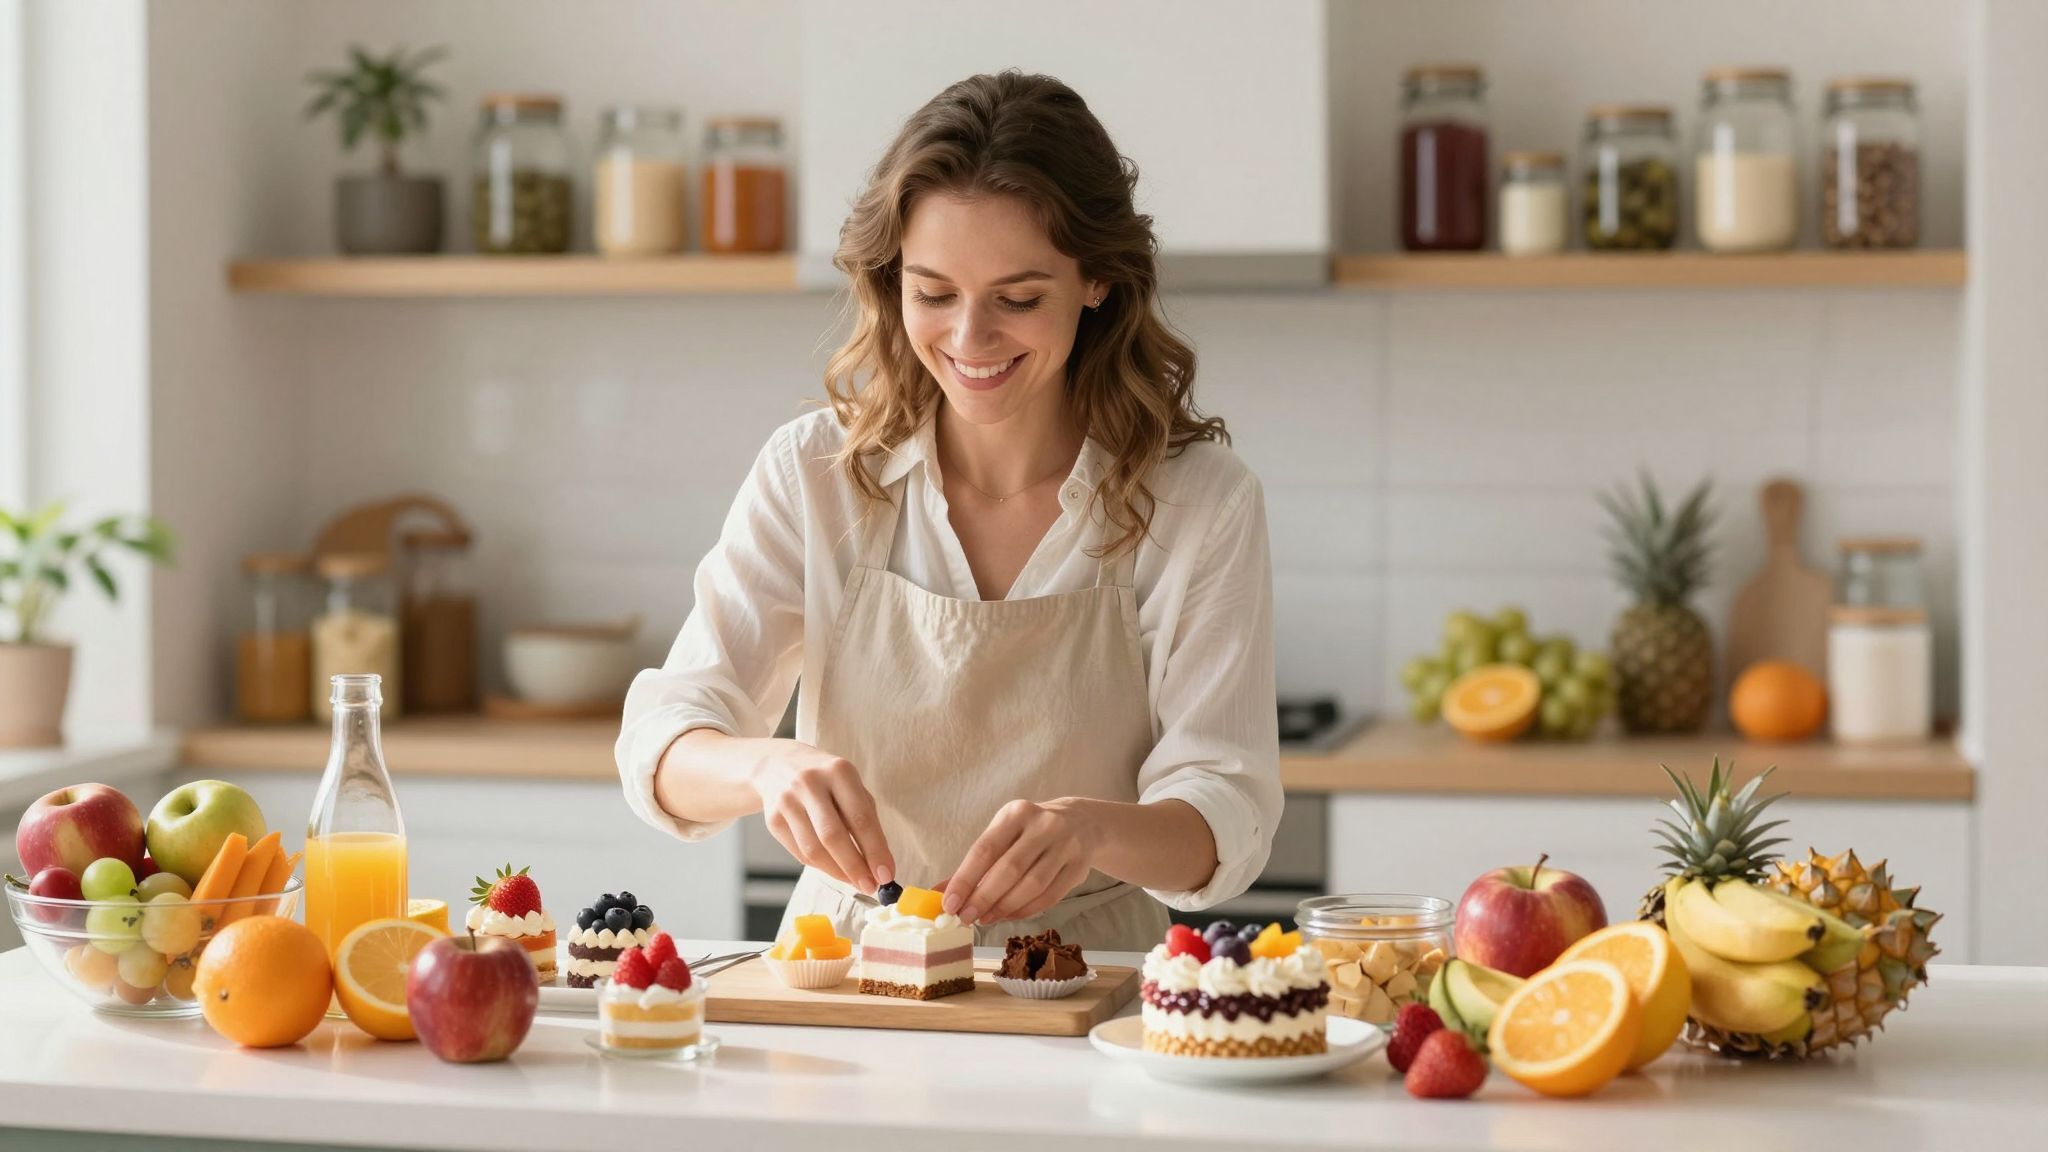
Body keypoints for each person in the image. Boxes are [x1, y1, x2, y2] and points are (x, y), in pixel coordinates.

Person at [616, 71, 1280, 951]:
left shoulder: (1200, 500)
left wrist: (1094, 831)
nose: (970, 341)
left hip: (1090, 978)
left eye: (1018, 298)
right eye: (933, 293)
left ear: (1098, 283)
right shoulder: (815, 473)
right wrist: (766, 765)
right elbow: (663, 742)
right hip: (848, 974)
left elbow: (1224, 809)